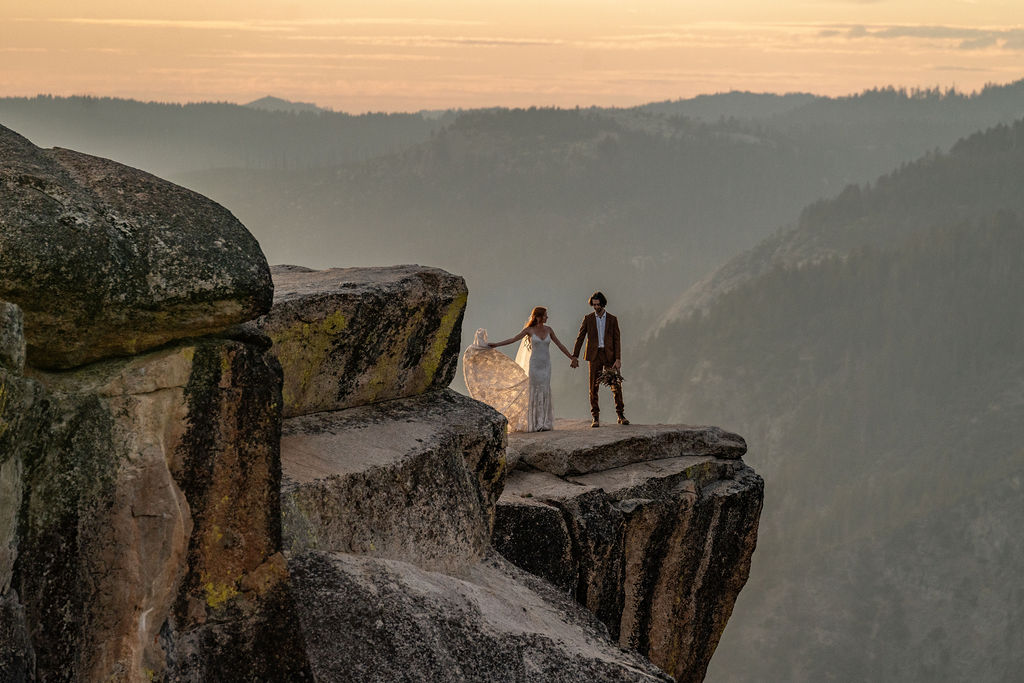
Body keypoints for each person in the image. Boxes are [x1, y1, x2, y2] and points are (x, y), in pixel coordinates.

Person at [485, 306, 574, 432]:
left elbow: (560, 345)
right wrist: (496, 344)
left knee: (545, 389)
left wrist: (571, 357)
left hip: (546, 365)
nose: (547, 317)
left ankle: (544, 422)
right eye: (545, 315)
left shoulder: (549, 330)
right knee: (535, 390)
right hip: (535, 365)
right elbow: (513, 339)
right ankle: (535, 423)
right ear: (538, 317)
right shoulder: (529, 330)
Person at [570, 291, 628, 428]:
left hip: (609, 356)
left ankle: (621, 415)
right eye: (593, 305)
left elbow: (616, 339)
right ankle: (595, 417)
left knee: (616, 385)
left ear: (602, 304)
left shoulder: (612, 319)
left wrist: (618, 358)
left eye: (597, 304)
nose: (595, 307)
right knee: (593, 387)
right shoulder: (588, 318)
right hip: (594, 356)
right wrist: (575, 356)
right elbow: (580, 338)